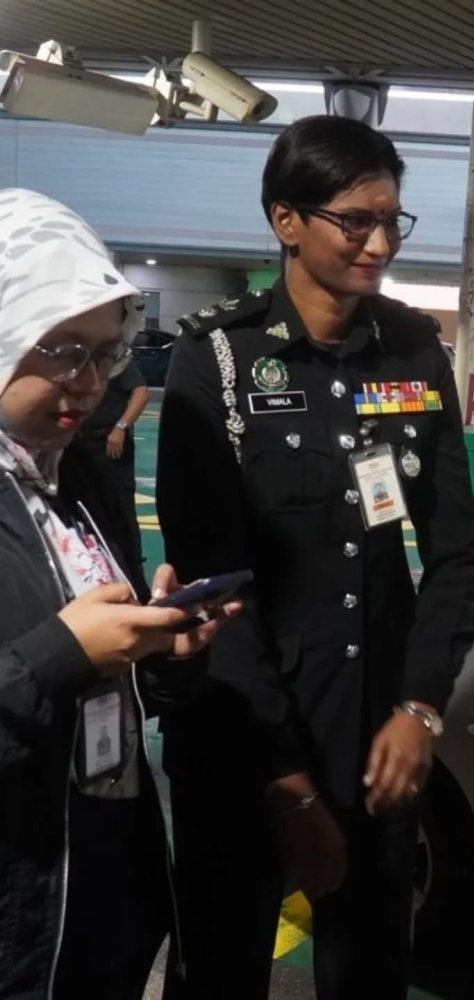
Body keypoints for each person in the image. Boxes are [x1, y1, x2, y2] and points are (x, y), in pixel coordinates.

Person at [156, 116, 474, 1000]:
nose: (379, 243)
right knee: (223, 967)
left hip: (375, 736)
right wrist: (289, 786)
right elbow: (212, 588)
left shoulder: (415, 351)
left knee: (371, 969)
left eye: (392, 221)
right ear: (286, 220)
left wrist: (420, 708)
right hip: (244, 736)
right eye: (355, 221)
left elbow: (456, 553)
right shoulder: (215, 362)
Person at [0, 188, 239, 1000]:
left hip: (100, 887)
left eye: (106, 353)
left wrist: (162, 652)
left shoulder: (74, 481)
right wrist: (61, 656)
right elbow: (52, 660)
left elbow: (104, 676)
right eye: (64, 351)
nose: (92, 383)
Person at [75, 359, 150, 570]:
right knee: (81, 510)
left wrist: (121, 427)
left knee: (119, 509)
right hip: (74, 447)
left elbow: (141, 393)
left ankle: (132, 569)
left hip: (108, 445)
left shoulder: (115, 359)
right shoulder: (71, 361)